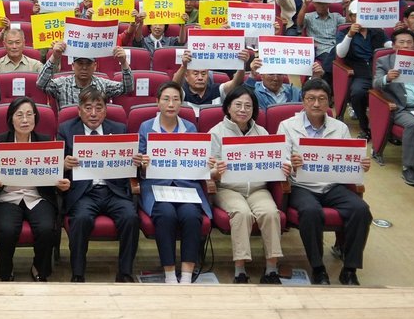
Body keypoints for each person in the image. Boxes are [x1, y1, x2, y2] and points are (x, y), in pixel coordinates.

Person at [278, 78, 373, 285]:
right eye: (311, 98)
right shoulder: (287, 126)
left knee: (361, 210)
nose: (316, 104)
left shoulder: (340, 127)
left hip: (332, 185)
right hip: (302, 185)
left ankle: (350, 269)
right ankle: (318, 268)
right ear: (303, 101)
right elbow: (281, 161)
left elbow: (348, 160)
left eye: (321, 99)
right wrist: (291, 163)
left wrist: (360, 164)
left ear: (329, 101)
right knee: (310, 211)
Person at [208, 86, 290, 284]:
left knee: (270, 213)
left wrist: (284, 167)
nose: (243, 110)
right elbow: (207, 171)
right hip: (227, 188)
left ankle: (271, 269)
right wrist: (216, 171)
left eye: (248, 106)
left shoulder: (262, 132)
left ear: (254, 109)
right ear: (228, 107)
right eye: (238, 105)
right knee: (242, 213)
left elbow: (275, 161)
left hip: (258, 188)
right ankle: (240, 270)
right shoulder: (216, 133)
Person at [61, 87, 140, 282]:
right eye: (88, 108)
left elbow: (130, 166)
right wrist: (64, 164)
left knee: (130, 218)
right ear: (79, 110)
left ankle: (125, 273)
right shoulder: (66, 130)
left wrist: (135, 161)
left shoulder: (119, 129)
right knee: (81, 219)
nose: (93, 113)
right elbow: (55, 166)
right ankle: (78, 274)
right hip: (84, 192)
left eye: (99, 108)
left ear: (106, 110)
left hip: (114, 190)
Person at [0, 97, 66, 281]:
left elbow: (57, 174)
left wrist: (61, 183)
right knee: (7, 230)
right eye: (19, 115)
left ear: (36, 117)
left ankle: (39, 268)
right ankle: (6, 270)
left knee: (46, 229)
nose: (25, 120)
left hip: (37, 196)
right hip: (7, 197)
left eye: (29, 114)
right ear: (11, 119)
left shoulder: (45, 142)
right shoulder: (0, 141)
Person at [136, 82, 208, 284]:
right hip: (156, 186)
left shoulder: (190, 127)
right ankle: (169, 274)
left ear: (181, 103)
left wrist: (206, 164)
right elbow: (140, 164)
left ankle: (186, 275)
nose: (171, 104)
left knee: (191, 215)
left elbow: (195, 160)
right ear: (157, 102)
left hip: (186, 187)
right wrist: (143, 164)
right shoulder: (146, 127)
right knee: (166, 214)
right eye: (166, 99)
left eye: (176, 99)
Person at [374, 29, 414, 187]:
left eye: (409, 42)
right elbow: (376, 83)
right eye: (401, 42)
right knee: (413, 125)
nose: (406, 46)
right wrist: (387, 78)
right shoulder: (384, 61)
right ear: (394, 45)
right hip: (401, 107)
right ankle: (408, 167)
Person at [37, 42, 135, 108]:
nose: (84, 67)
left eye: (88, 64)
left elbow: (127, 88)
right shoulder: (62, 84)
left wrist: (123, 62)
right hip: (69, 130)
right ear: (73, 66)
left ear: (95, 66)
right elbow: (41, 84)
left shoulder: (102, 84)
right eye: (80, 63)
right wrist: (54, 56)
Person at [335, 20, 388, 139]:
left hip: (380, 71)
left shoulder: (378, 32)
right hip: (360, 72)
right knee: (357, 92)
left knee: (392, 91)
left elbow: (390, 46)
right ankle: (365, 127)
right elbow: (340, 54)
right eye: (355, 15)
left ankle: (385, 129)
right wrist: (350, 35)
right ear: (351, 17)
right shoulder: (343, 32)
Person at [171, 49, 250, 107]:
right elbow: (173, 86)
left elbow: (236, 83)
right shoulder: (182, 92)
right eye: (195, 74)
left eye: (203, 73)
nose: (200, 78)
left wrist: (242, 65)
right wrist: (184, 66)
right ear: (186, 77)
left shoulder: (217, 90)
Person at [249, 56, 324, 107]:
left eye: (279, 74)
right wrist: (252, 74)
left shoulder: (293, 91)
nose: (275, 78)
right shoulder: (254, 91)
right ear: (261, 75)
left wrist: (315, 77)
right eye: (271, 74)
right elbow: (245, 94)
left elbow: (310, 99)